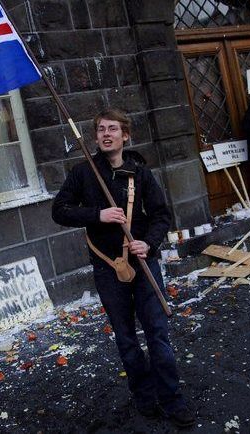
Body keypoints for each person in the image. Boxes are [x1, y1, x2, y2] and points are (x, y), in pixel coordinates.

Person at [51, 108, 194, 427]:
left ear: (125, 135)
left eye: (112, 129)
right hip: (107, 269)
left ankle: (172, 399)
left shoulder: (140, 173)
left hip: (144, 266)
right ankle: (144, 395)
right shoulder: (83, 172)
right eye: (100, 129)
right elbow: (59, 211)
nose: (105, 134)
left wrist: (150, 244)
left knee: (158, 334)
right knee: (126, 338)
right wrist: (96, 215)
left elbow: (161, 215)